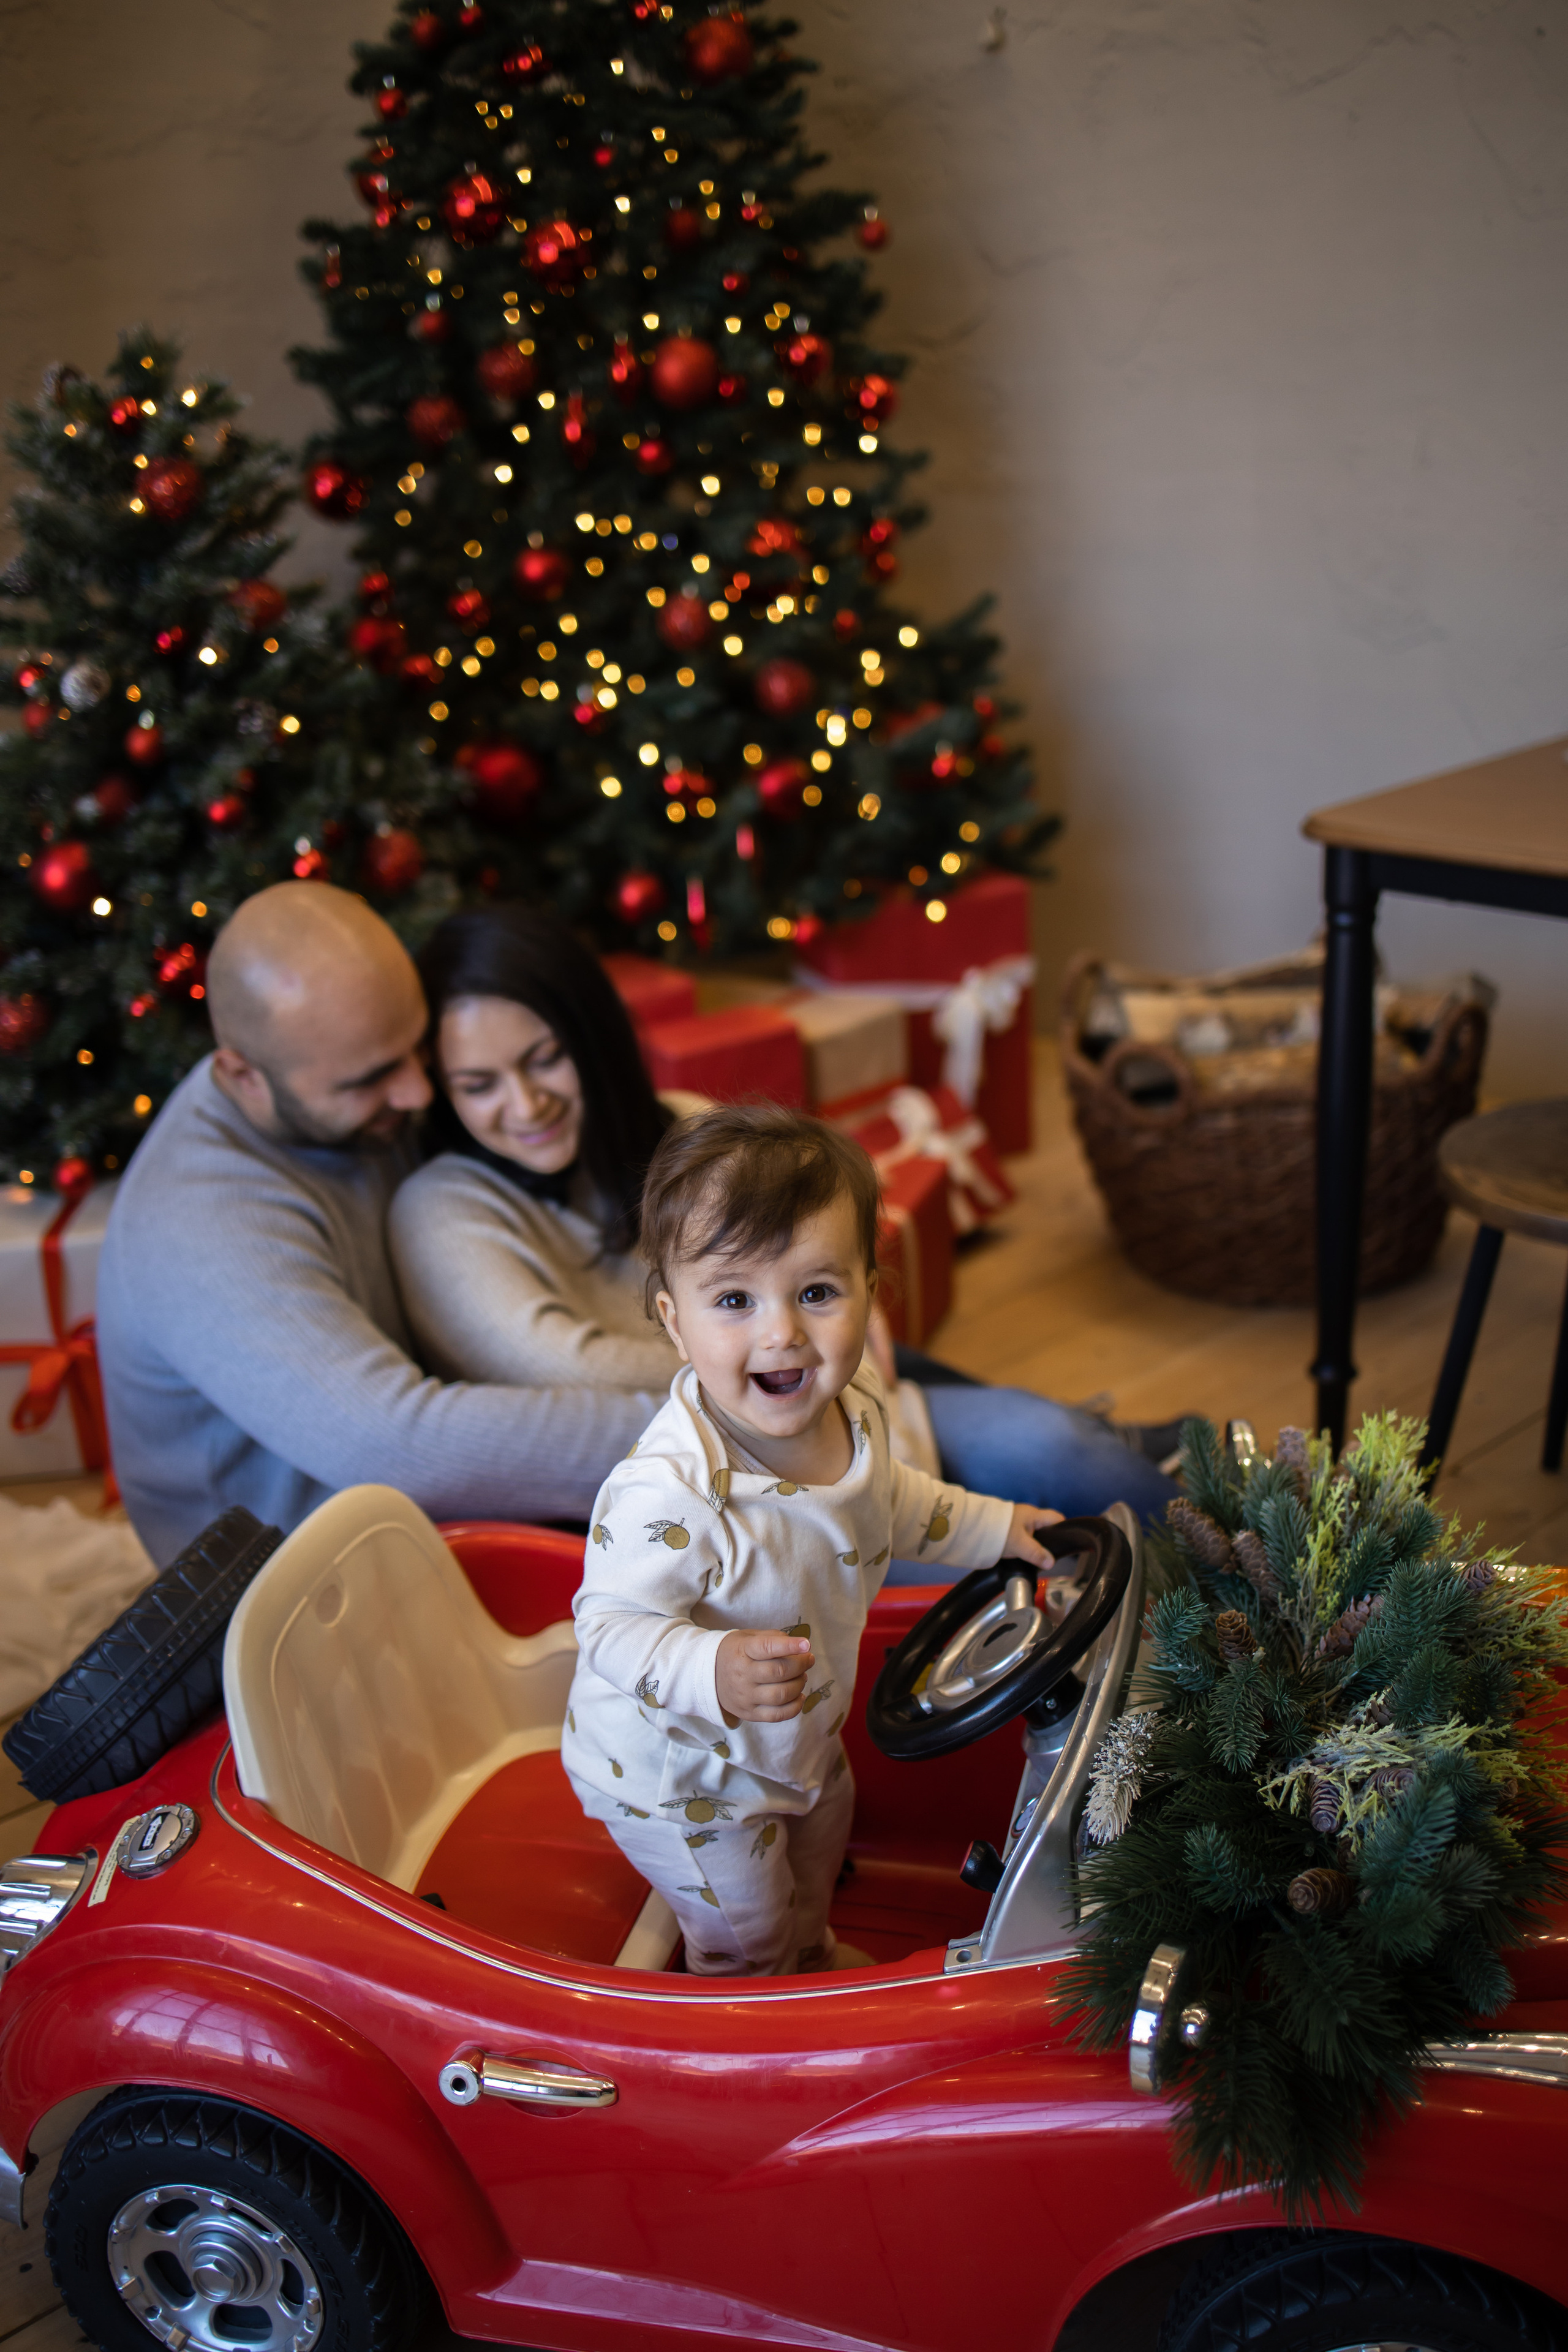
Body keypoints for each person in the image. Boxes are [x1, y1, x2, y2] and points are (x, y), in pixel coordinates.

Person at [390, 905, 1181, 1566]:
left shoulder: (679, 1127)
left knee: (1060, 1445)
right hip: (742, 1502)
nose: (525, 1106)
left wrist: (828, 1324)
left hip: (859, 1410)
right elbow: (560, 1366)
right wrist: (783, 1345)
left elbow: (825, 1245)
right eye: (479, 1085)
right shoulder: (441, 1212)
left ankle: (1254, 1556)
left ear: (591, 1041)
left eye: (546, 1059)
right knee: (981, 1586)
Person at [560, 1103, 1064, 1977]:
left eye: (817, 1292)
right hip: (682, 1777)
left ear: (872, 1288)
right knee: (746, 1925)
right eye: (734, 1300)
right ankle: (750, 2002)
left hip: (799, 1730)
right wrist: (708, 1667)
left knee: (827, 1837)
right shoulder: (669, 1491)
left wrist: (997, 1528)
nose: (782, 1331)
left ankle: (814, 1946)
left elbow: (893, 1503)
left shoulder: (857, 1406)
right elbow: (607, 1626)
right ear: (674, 1321)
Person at [95, 884, 664, 1562]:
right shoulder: (201, 1222)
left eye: (416, 1048)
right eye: (370, 1079)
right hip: (294, 1588)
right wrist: (701, 1422)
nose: (420, 1094)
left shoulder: (343, 1085)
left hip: (421, 1517)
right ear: (242, 1076)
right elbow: (402, 1447)